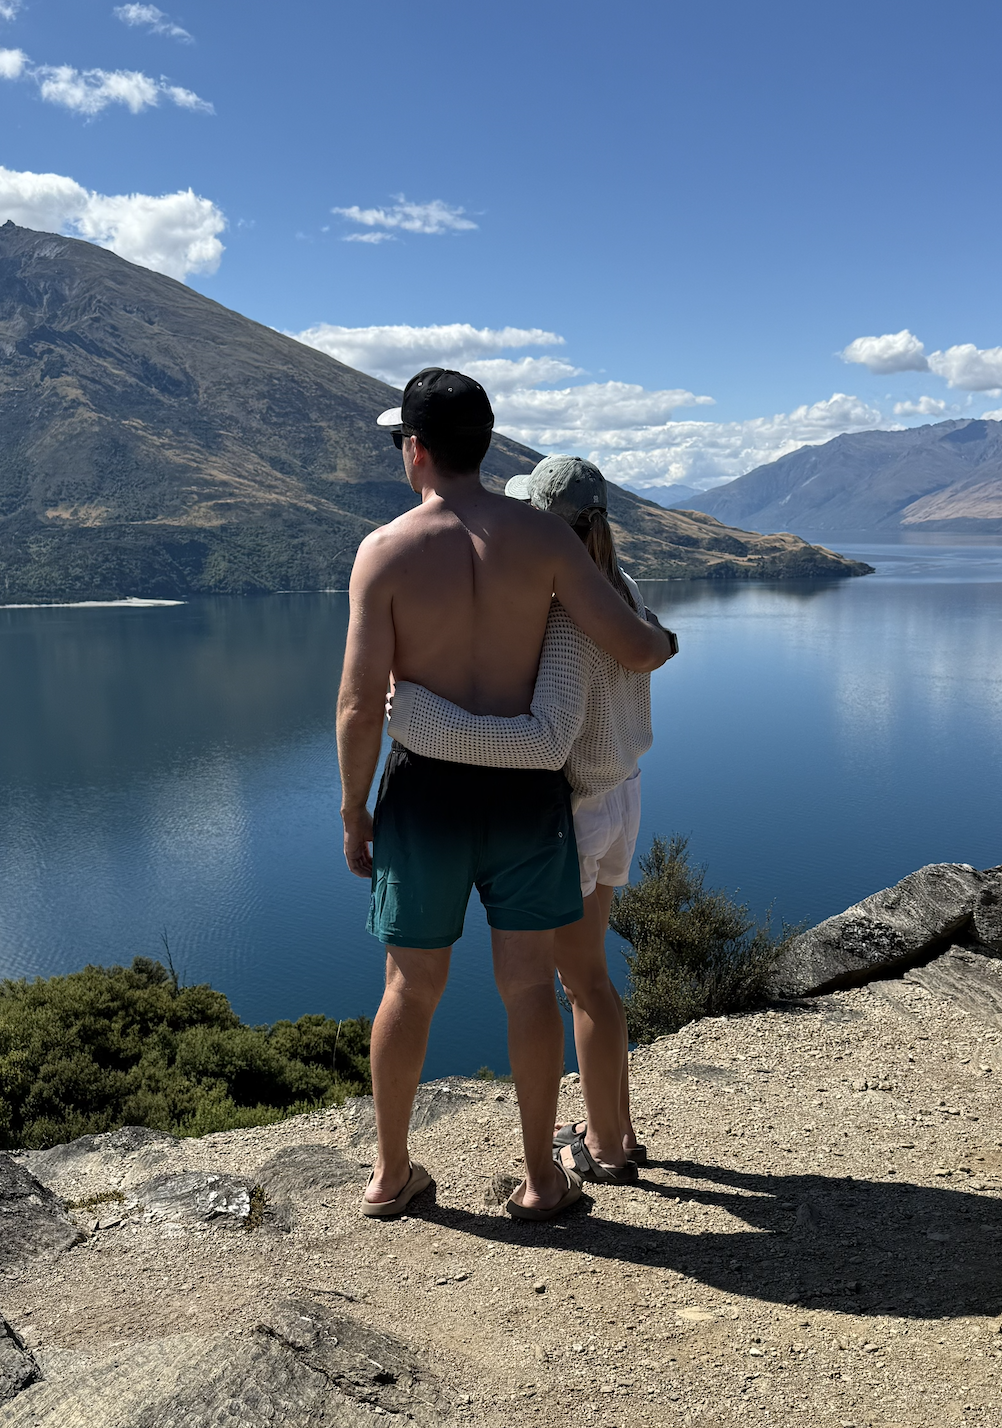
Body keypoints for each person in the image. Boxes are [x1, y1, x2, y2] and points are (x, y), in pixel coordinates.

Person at [336, 371, 674, 1222]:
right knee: (528, 989)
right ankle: (540, 1181)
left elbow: (356, 704)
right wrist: (661, 637)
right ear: (487, 446)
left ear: (414, 448)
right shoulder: (544, 540)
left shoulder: (384, 551)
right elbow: (634, 648)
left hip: (424, 800)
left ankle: (390, 1176)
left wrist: (354, 811)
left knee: (409, 988)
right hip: (528, 802)